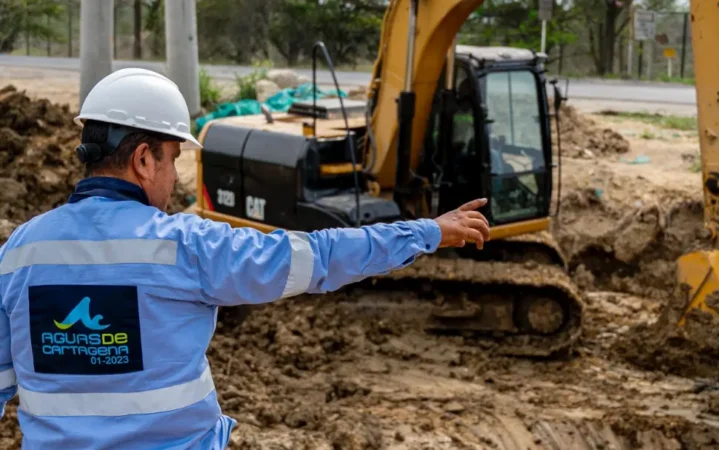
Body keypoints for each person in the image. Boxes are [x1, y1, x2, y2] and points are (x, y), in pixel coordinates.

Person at [0, 68, 490, 449]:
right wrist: (425, 231)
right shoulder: (188, 247)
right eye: (173, 159)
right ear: (144, 159)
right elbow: (317, 257)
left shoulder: (19, 252)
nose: (174, 179)